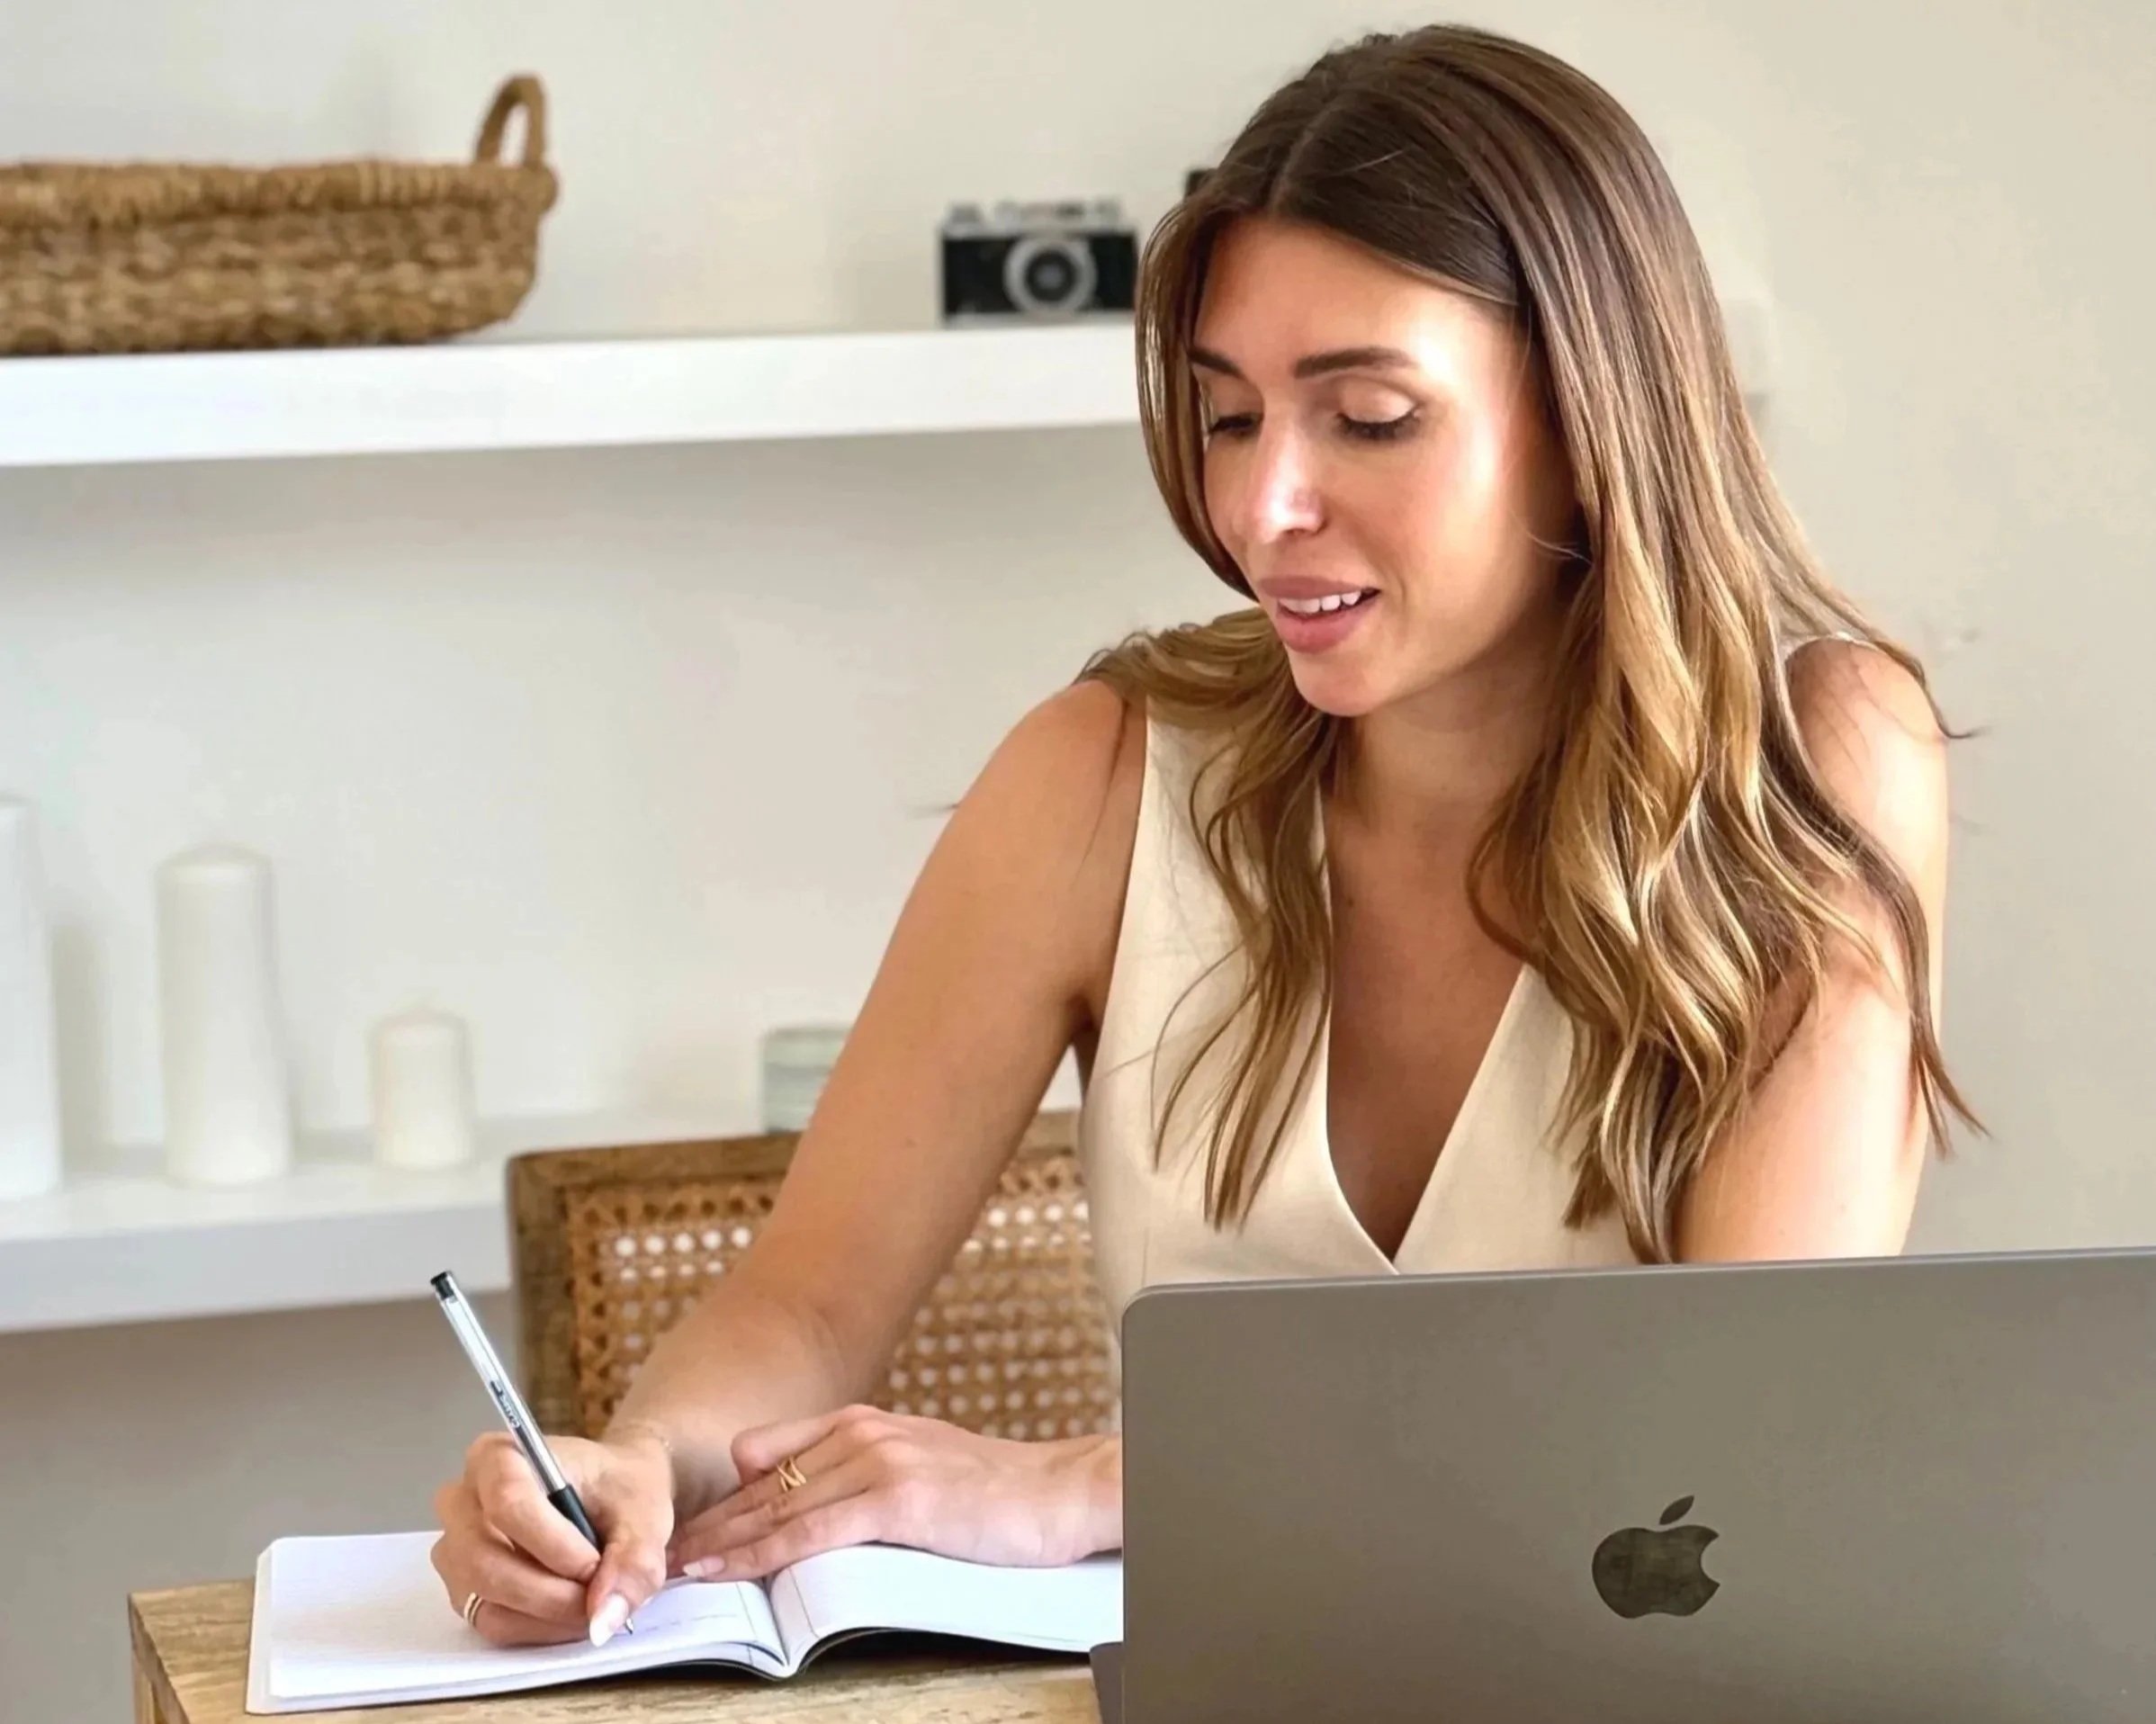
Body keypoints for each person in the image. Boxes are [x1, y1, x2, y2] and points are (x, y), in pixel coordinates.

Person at [430, 21, 1970, 1648]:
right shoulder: (1099, 779)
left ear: (1592, 417)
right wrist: (633, 1467)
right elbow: (805, 1304)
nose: (1262, 509)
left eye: (1368, 416)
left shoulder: (1815, 764)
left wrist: (1106, 1484)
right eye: (1231, 418)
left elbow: (1739, 1426)